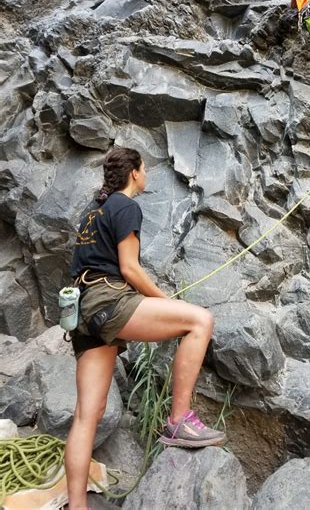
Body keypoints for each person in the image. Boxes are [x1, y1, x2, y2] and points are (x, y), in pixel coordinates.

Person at [64, 147, 225, 510]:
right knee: (200, 319)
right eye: (145, 169)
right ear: (134, 172)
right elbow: (130, 269)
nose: (146, 174)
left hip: (83, 312)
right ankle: (179, 420)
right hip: (108, 301)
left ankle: (76, 507)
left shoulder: (93, 213)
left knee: (85, 415)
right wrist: (167, 300)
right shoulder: (126, 206)